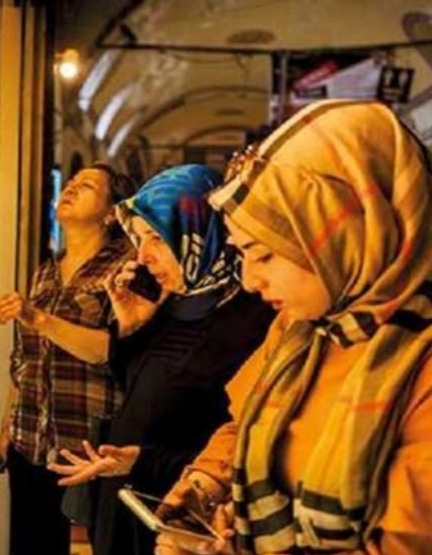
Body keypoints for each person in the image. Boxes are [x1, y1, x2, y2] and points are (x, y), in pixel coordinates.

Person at [155, 99, 432, 555]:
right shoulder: (300, 329)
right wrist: (205, 486)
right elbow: (247, 422)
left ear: (346, 238)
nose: (250, 280)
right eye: (242, 254)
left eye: (265, 255)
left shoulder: (420, 362)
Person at [47, 164, 274, 555]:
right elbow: (138, 390)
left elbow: (242, 442)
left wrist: (146, 462)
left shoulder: (253, 317)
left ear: (199, 231)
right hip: (125, 496)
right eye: (138, 238)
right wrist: (131, 328)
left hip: (182, 511)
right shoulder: (175, 301)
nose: (144, 255)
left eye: (156, 237)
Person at [0, 163, 135, 555]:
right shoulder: (45, 272)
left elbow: (111, 351)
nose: (71, 189)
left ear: (111, 213)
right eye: (71, 182)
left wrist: (37, 317)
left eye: (87, 185)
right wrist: (5, 432)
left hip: (88, 446)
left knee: (101, 545)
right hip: (31, 439)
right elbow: (23, 362)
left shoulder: (124, 269)